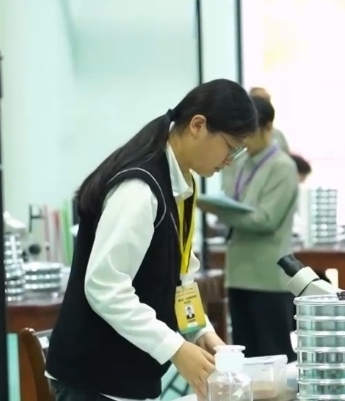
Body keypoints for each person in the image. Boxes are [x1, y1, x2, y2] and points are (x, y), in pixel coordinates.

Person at [45, 79, 257, 401]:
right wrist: (175, 348)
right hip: (93, 380)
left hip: (126, 377)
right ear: (198, 125)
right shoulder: (140, 189)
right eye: (231, 146)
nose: (230, 159)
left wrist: (199, 331)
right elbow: (105, 286)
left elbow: (182, 277)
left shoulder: (183, 185)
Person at [200, 95, 299, 361]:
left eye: (249, 133)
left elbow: (266, 220)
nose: (244, 141)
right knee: (246, 356)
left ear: (268, 128)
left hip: (268, 277)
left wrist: (219, 211)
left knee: (274, 355)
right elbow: (233, 199)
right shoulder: (241, 161)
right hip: (238, 272)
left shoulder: (283, 167)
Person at [249, 87, 290, 151]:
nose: (264, 104)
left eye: (267, 99)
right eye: (259, 100)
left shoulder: (279, 137)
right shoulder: (239, 138)